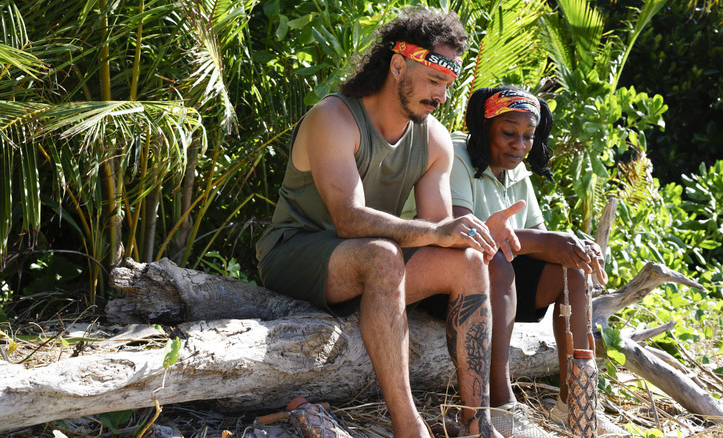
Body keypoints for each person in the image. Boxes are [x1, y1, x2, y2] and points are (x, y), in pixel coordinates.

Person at [256, 7, 522, 438]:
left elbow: (438, 230)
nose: (441, 95)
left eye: (447, 85)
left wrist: (474, 227)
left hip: (371, 265)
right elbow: (348, 219)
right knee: (382, 255)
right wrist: (437, 231)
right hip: (296, 253)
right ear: (398, 64)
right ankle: (408, 426)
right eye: (434, 80)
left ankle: (478, 423)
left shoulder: (434, 139)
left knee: (469, 261)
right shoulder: (334, 118)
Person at [450, 85, 621, 437]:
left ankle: (575, 402)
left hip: (503, 285)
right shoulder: (456, 155)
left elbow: (540, 239)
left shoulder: (516, 170)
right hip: (451, 281)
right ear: (485, 128)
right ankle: (500, 404)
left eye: (529, 136)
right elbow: (461, 230)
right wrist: (549, 240)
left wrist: (574, 247)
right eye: (509, 133)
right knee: (495, 264)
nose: (520, 145)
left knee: (571, 266)